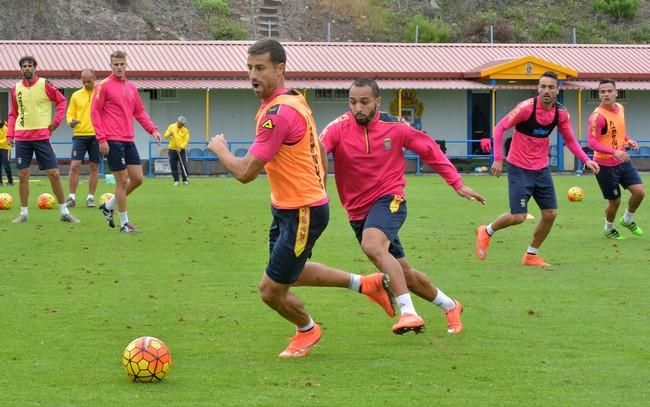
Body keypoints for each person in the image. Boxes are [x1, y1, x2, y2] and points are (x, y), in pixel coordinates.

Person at [207, 39, 395, 358]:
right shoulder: (294, 100)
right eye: (249, 68)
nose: (253, 74)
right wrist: (318, 180)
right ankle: (366, 284)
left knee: (271, 290)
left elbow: (246, 172)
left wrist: (220, 149)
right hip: (289, 207)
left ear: (280, 69)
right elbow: (318, 146)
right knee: (289, 272)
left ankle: (307, 330)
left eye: (260, 68)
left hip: (301, 211)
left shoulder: (277, 114)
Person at [320, 77, 486, 335]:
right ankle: (451, 305)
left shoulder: (396, 127)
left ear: (377, 101)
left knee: (372, 245)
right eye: (353, 102)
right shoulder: (336, 129)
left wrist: (457, 183)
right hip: (357, 211)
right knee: (403, 272)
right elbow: (316, 154)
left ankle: (408, 312)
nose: (358, 108)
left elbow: (430, 150)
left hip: (390, 199)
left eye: (364, 102)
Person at [475, 71, 600, 267]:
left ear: (558, 90)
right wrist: (498, 159)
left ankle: (531, 255)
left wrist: (586, 159)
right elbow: (499, 128)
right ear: (538, 88)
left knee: (550, 213)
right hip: (519, 167)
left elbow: (570, 140)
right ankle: (487, 231)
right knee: (518, 216)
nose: (546, 91)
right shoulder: (526, 108)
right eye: (542, 87)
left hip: (541, 169)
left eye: (551, 87)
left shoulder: (561, 114)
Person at [91, 50, 161, 233]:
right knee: (122, 182)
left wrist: (152, 129)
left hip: (128, 140)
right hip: (112, 141)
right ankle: (124, 224)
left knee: (137, 179)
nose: (119, 67)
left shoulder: (131, 88)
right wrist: (102, 139)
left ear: (126, 65)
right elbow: (95, 112)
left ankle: (108, 206)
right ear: (110, 65)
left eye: (122, 64)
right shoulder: (103, 86)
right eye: (116, 64)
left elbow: (139, 112)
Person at [6, 55, 79, 224]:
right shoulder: (15, 89)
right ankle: (23, 213)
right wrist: (10, 135)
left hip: (41, 137)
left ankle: (64, 212)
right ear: (21, 69)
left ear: (35, 67)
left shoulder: (45, 84)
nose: (27, 68)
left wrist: (55, 122)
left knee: (53, 173)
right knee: (23, 175)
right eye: (24, 66)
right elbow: (13, 114)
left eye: (30, 65)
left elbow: (61, 101)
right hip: (22, 137)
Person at [587, 79, 645, 239]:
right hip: (604, 165)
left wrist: (628, 140)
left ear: (616, 93)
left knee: (639, 192)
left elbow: (619, 131)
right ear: (598, 94)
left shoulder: (620, 108)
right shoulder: (597, 117)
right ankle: (608, 228)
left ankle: (627, 219)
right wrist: (614, 151)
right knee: (615, 201)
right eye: (602, 91)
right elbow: (592, 143)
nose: (606, 94)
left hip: (622, 161)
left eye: (609, 91)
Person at [66, 69, 100, 208]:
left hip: (96, 135)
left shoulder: (101, 94)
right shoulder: (76, 95)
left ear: (94, 79)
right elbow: (69, 115)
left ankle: (90, 198)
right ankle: (71, 197)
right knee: (74, 166)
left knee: (94, 167)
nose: (86, 84)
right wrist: (71, 122)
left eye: (89, 81)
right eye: (83, 81)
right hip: (79, 135)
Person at [164, 116, 190, 186]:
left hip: (181, 150)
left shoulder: (185, 130)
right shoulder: (171, 127)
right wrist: (170, 134)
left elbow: (186, 140)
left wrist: (181, 147)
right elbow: (165, 136)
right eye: (181, 123)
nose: (182, 125)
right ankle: (176, 180)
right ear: (178, 122)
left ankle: (185, 179)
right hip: (172, 149)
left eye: (183, 124)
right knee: (173, 165)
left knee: (183, 164)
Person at [0, 119, 13, 186]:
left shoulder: (6, 128)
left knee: (6, 165)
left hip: (6, 148)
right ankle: (0, 182)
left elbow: (6, 139)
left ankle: (10, 181)